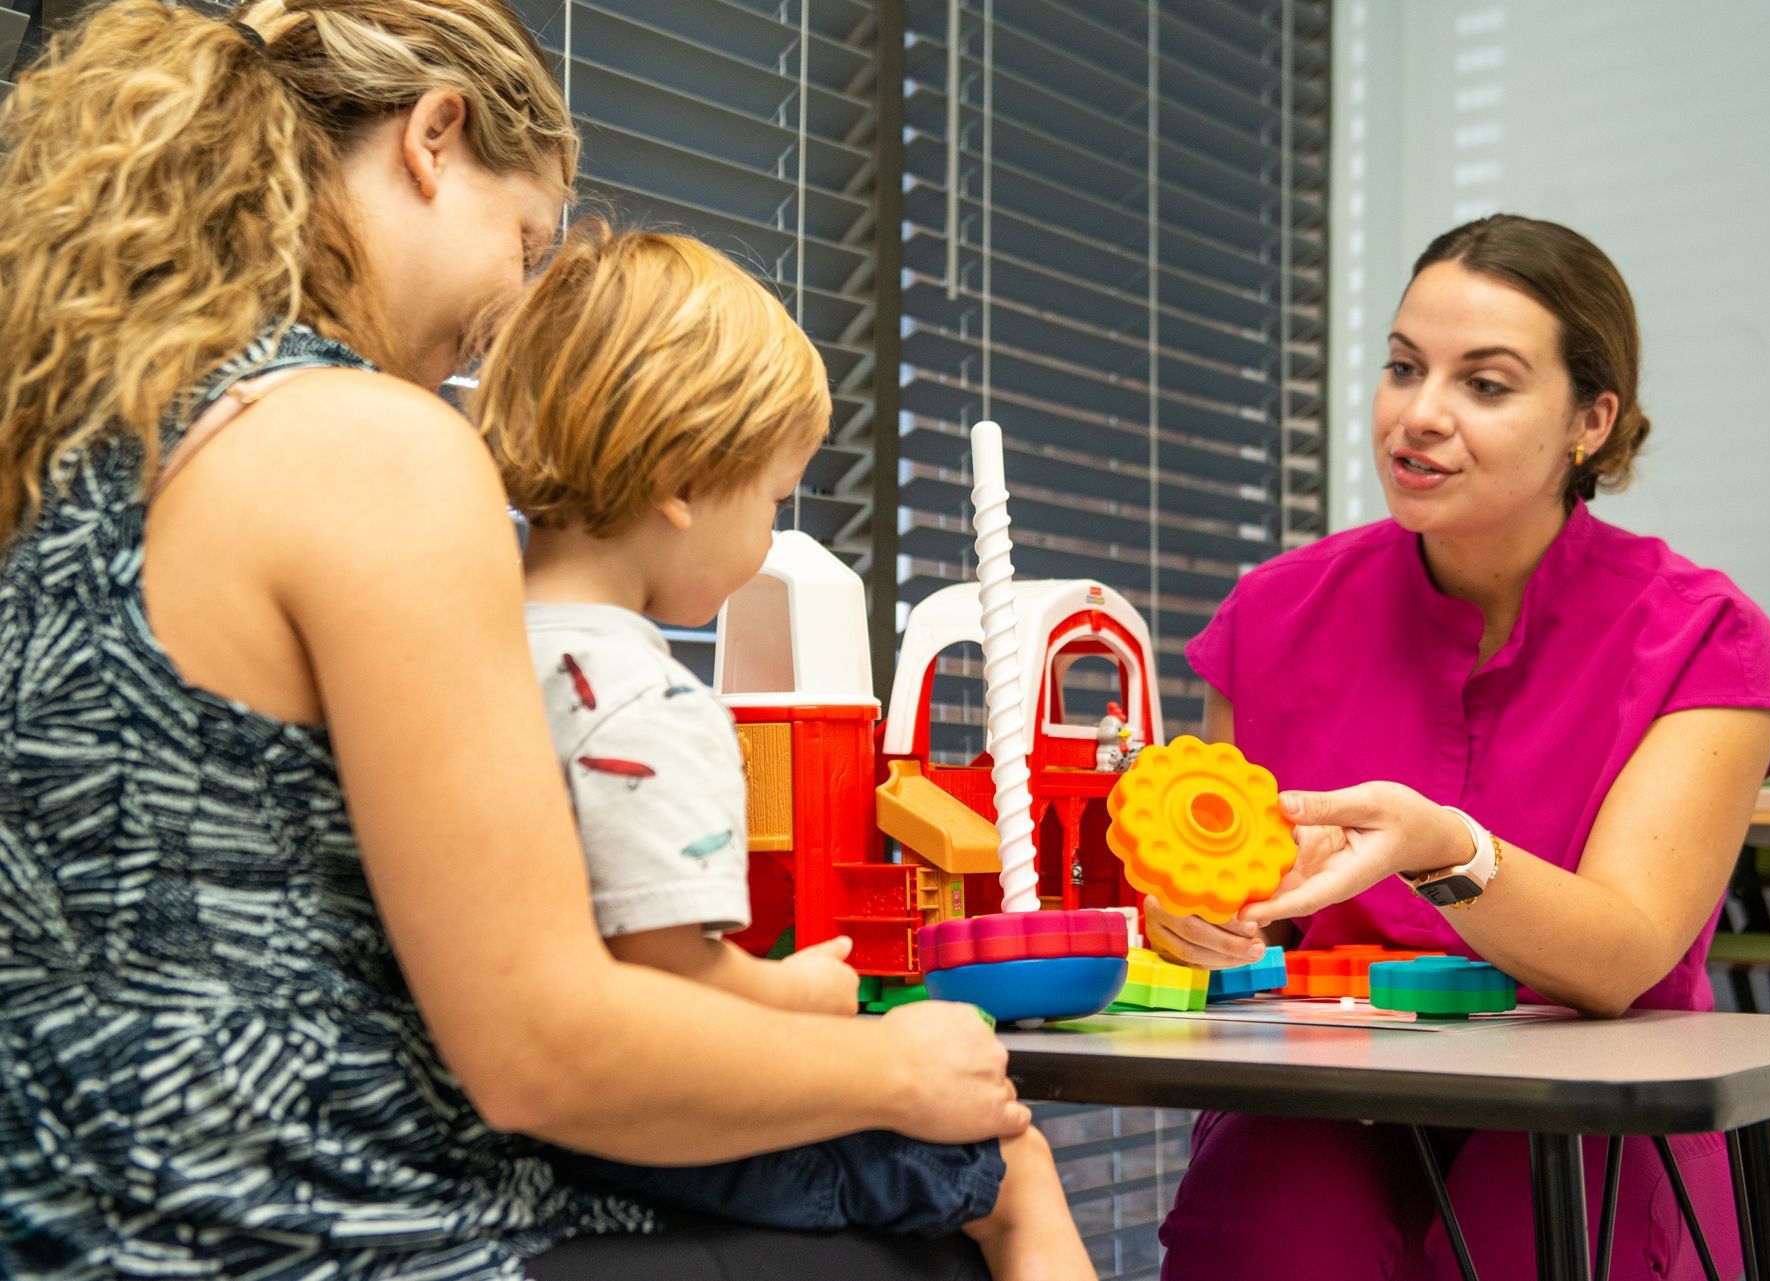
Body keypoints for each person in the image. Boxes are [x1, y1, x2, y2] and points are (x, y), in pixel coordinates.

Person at [0, 3, 1024, 1277]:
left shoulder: (83, 451)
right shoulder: (366, 444)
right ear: (436, 138)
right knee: (952, 1213)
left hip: (69, 1229)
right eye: (527, 240)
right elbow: (545, 1050)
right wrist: (894, 1063)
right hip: (311, 1235)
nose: (511, 313)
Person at [1146, 215, 1770, 1281]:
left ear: (1589, 423)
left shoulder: (1703, 638)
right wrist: (1192, 920)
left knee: (1536, 1221)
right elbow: (1239, 916)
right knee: (1277, 1223)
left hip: (1588, 1103)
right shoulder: (1271, 617)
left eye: (1486, 385)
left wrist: (1446, 848)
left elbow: (1621, 956)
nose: (1419, 416)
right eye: (1404, 368)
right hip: (1324, 1105)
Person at [471, 220, 1093, 1281]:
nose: (766, 539)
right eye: (766, 499)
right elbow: (660, 981)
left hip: (507, 1137)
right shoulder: (649, 702)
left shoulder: (464, 654)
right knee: (1016, 1168)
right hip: (641, 1141)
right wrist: (803, 998)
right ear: (679, 481)